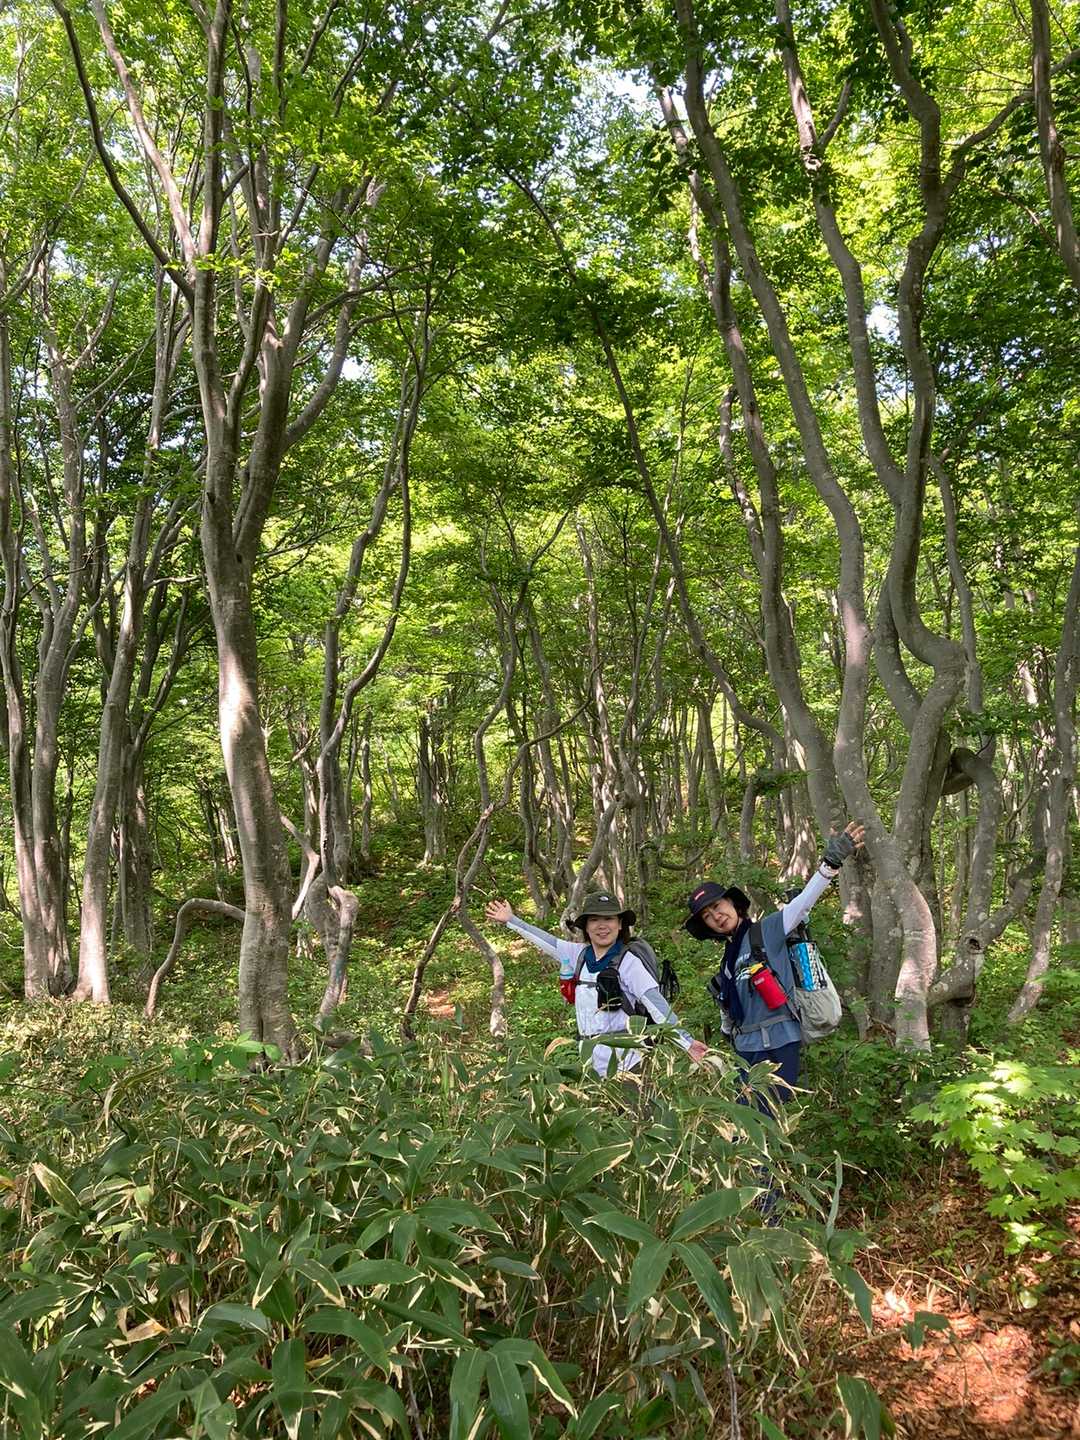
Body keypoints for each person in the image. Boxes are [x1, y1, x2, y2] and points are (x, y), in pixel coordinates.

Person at [682, 821, 865, 1110]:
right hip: (745, 1049)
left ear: (732, 903)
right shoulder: (728, 960)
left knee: (766, 1117)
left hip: (777, 1043)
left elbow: (802, 904)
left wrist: (830, 863)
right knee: (745, 1119)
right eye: (707, 916)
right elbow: (729, 1011)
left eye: (717, 906)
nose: (716, 916)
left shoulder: (766, 931)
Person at [485, 891, 708, 1077]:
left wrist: (687, 1043)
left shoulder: (629, 962)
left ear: (620, 924)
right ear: (586, 926)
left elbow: (657, 1005)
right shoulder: (579, 955)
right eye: (594, 919)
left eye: (609, 919)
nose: (602, 926)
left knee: (634, 1116)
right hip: (590, 1064)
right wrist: (511, 920)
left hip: (628, 1063)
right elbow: (546, 941)